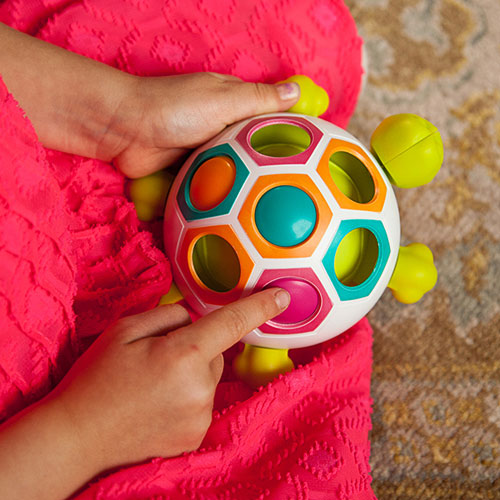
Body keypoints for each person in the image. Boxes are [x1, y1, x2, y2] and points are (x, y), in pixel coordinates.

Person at [0, 21, 297, 500]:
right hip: (48, 427)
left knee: (282, 44)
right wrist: (84, 433)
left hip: (35, 161)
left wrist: (120, 113)